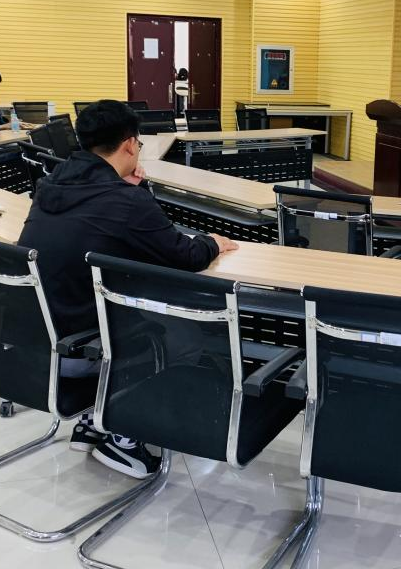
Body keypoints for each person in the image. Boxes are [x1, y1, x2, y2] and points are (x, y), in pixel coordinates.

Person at [19, 100, 238, 478]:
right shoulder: (125, 201)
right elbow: (185, 255)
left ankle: (93, 419)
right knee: (187, 337)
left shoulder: (51, 184)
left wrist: (131, 189)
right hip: (79, 348)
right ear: (130, 145)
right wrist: (213, 242)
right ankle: (123, 438)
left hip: (35, 339)